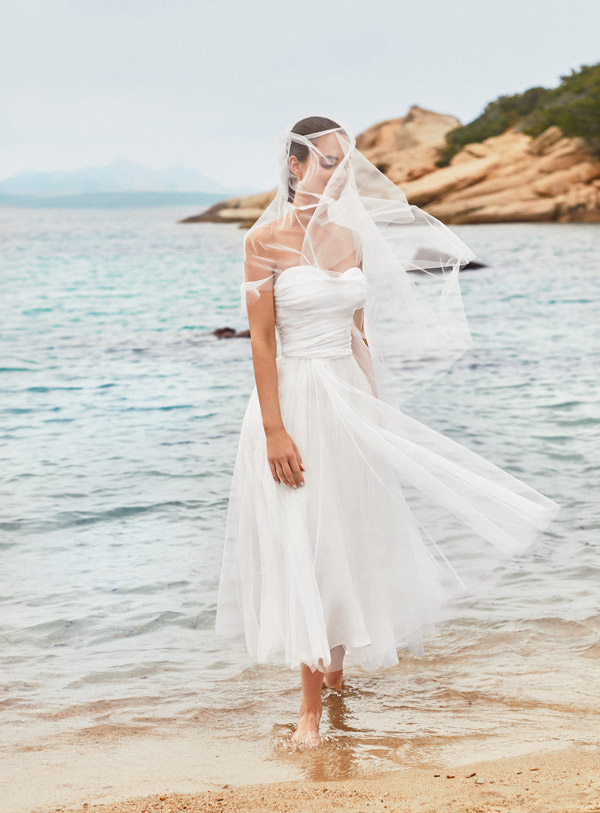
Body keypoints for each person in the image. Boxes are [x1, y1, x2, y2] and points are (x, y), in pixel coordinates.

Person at [214, 115, 560, 749]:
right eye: (326, 161)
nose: (339, 173)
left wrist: (375, 416)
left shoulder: (350, 238)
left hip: (349, 398)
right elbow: (262, 343)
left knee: (349, 538)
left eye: (345, 163)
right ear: (295, 166)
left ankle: (338, 686)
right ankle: (309, 712)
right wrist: (274, 430)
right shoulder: (263, 241)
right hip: (297, 401)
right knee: (308, 545)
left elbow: (360, 331)